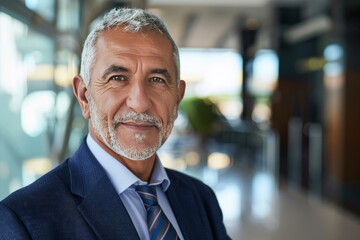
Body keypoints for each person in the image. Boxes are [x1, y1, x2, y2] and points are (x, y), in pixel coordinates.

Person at [0, 7, 230, 240]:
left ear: (177, 97)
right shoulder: (25, 220)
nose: (139, 103)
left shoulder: (201, 199)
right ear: (84, 96)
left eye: (157, 80)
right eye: (118, 78)